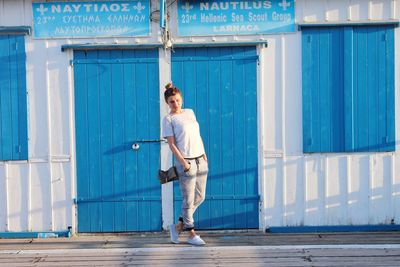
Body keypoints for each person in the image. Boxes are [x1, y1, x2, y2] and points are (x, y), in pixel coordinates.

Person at [162, 82, 208, 246]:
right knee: (188, 200)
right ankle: (191, 233)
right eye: (172, 102)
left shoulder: (190, 112)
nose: (175, 104)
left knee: (200, 196)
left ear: (181, 99)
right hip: (186, 162)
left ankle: (178, 226)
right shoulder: (168, 119)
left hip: (200, 159)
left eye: (177, 100)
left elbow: (197, 134)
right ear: (167, 103)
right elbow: (172, 144)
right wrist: (183, 163)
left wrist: (204, 153)